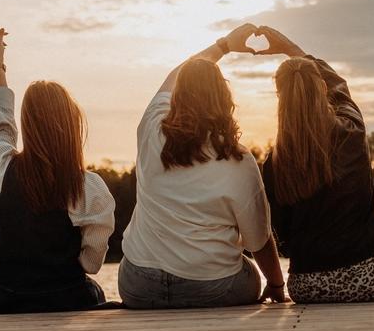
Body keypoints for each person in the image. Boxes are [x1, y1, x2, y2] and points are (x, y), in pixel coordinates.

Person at [0, 28, 118, 316]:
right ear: (72, 125)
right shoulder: (89, 189)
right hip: (64, 297)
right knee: (94, 291)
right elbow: (91, 264)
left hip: (4, 299)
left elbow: (0, 124)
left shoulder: (3, 168)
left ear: (27, 125)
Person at [118, 24, 288, 309]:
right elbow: (258, 239)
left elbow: (174, 77)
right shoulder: (238, 160)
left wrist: (223, 46)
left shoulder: (151, 130)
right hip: (213, 288)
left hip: (139, 285)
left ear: (178, 97)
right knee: (246, 271)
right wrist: (276, 283)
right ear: (224, 100)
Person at [255, 26, 374, 304]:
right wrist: (290, 47)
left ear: (279, 97)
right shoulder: (352, 132)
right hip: (372, 277)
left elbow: (282, 235)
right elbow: (340, 87)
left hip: (308, 286)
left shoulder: (274, 162)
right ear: (321, 88)